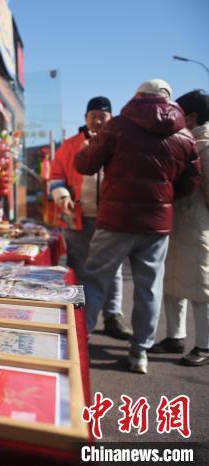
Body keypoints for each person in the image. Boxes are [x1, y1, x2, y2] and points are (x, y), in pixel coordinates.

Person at [74, 79, 201, 374]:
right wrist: (162, 199)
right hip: (156, 225)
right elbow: (189, 185)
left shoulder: (118, 126)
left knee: (95, 281)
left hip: (115, 220)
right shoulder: (184, 136)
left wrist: (87, 150)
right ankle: (139, 353)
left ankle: (80, 343)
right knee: (149, 289)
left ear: (139, 96)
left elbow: (85, 165)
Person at [49, 96, 129, 339]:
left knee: (114, 269)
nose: (97, 120)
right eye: (93, 115)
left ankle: (113, 316)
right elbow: (56, 177)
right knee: (78, 268)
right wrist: (62, 196)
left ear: (111, 118)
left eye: (102, 116)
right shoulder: (70, 145)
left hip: (111, 218)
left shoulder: (121, 144)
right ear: (85, 118)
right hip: (78, 217)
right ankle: (78, 317)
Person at [151, 90, 209, 366]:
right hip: (178, 224)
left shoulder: (205, 147)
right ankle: (175, 337)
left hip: (197, 225)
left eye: (179, 113)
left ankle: (205, 346)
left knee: (200, 285)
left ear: (192, 117)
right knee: (173, 283)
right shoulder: (186, 142)